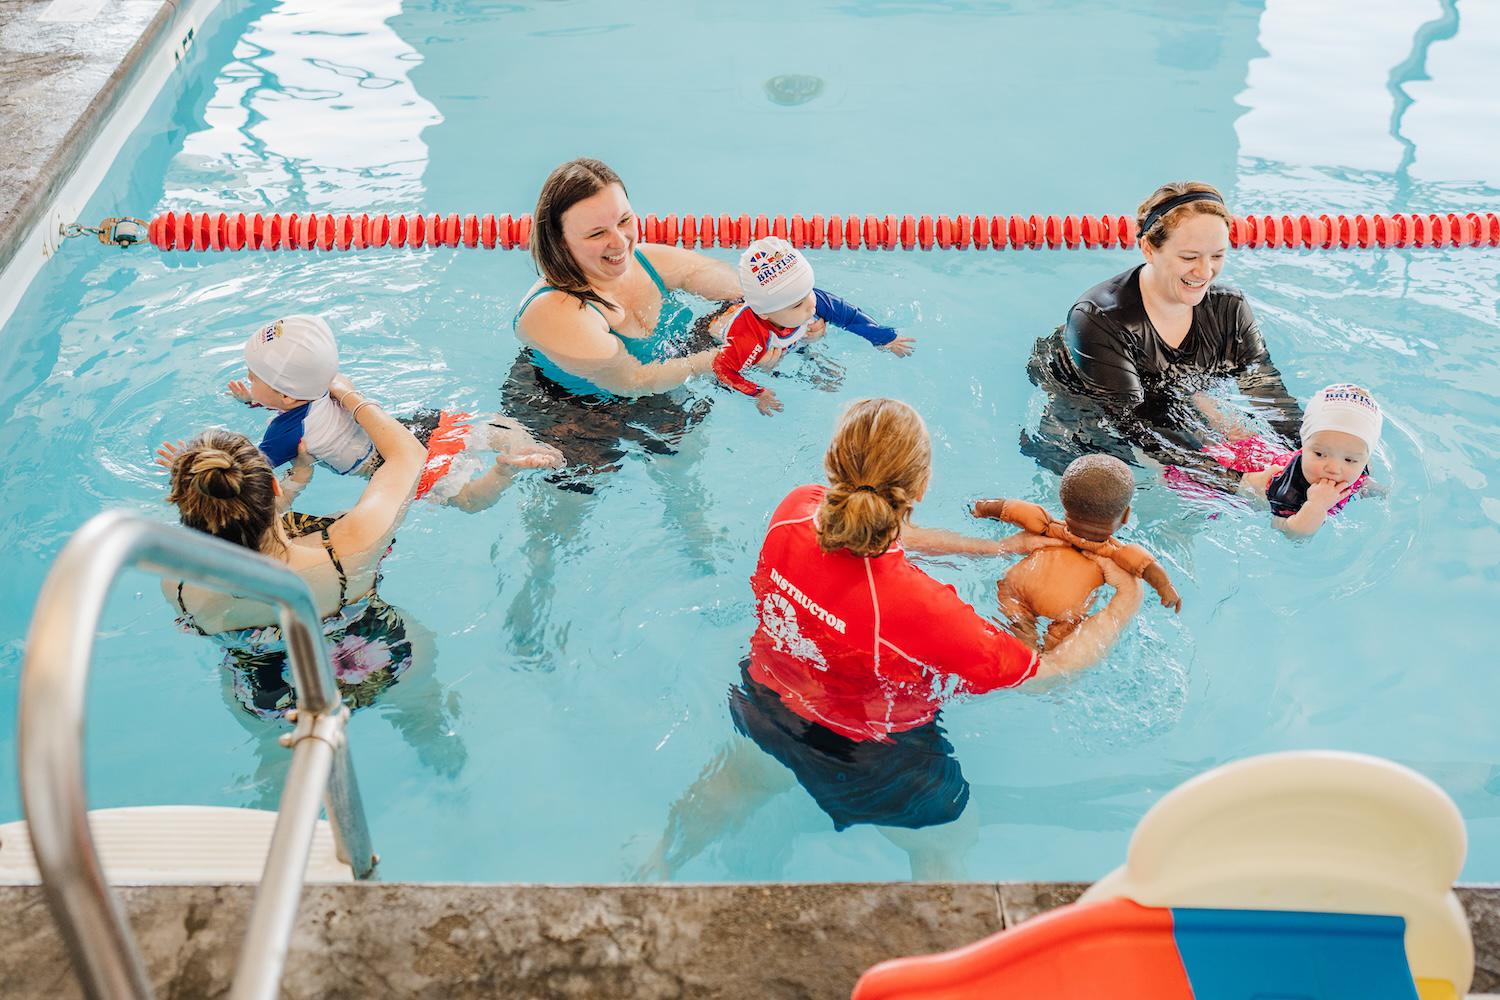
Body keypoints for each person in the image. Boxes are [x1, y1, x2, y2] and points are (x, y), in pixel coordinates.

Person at [644, 399, 1143, 881]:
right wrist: (1124, 601)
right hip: (864, 755)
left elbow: (879, 533)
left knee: (738, 782)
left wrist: (995, 548)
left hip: (764, 700)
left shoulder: (797, 508)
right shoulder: (921, 609)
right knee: (950, 844)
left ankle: (656, 860)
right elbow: (1047, 676)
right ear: (922, 485)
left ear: (833, 465)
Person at [158, 375, 450, 728]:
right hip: (381, 657)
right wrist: (345, 393)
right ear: (274, 486)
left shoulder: (178, 583)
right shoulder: (346, 548)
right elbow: (407, 455)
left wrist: (212, 494)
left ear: (188, 513)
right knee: (425, 719)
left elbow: (240, 536)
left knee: (277, 768)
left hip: (274, 697)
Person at [1022, 181, 1301, 475]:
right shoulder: (1098, 319)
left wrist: (1315, 454)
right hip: (1086, 415)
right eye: (1189, 257)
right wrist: (1237, 482)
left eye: (1217, 256)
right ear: (1148, 249)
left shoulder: (1229, 307)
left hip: (1168, 398)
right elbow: (1134, 422)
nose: (1205, 272)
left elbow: (1266, 390)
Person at [504, 157, 749, 489]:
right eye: (597, 233)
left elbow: (739, 286)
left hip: (650, 384)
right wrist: (722, 357)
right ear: (561, 241)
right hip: (568, 411)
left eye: (624, 220)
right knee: (569, 513)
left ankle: (692, 527)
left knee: (684, 466)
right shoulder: (555, 310)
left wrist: (780, 309)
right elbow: (632, 380)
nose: (619, 241)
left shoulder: (647, 262)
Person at [230, 313, 561, 513]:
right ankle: (519, 441)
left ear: (286, 394)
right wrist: (257, 397)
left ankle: (503, 471)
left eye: (253, 377)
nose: (248, 380)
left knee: (469, 501)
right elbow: (299, 401)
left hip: (394, 462)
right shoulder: (328, 379)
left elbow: (242, 476)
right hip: (412, 426)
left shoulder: (283, 436)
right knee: (486, 431)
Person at [973, 454, 1181, 652]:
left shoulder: (1046, 524)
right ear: (1126, 516)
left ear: (1062, 500)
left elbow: (1010, 508)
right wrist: (1165, 587)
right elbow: (1146, 566)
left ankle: (1024, 641)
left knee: (1018, 620)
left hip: (1018, 584)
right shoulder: (1114, 554)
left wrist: (983, 508)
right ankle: (1041, 659)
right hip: (1065, 609)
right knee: (1057, 644)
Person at [712, 237, 915, 415]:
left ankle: (811, 365)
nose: (812, 304)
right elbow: (723, 370)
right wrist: (757, 391)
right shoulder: (748, 337)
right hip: (722, 338)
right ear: (764, 313)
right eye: (798, 304)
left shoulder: (808, 300)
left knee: (816, 357)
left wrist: (883, 338)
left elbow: (849, 316)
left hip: (784, 339)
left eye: (808, 291)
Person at [1226, 383, 1382, 537]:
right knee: (1230, 436)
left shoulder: (1361, 464)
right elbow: (1288, 532)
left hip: (1270, 452)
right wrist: (1316, 506)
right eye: (1320, 454)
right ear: (1304, 443)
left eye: (1349, 460)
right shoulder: (1288, 488)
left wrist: (1374, 490)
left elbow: (1361, 481)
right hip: (1245, 470)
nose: (1333, 468)